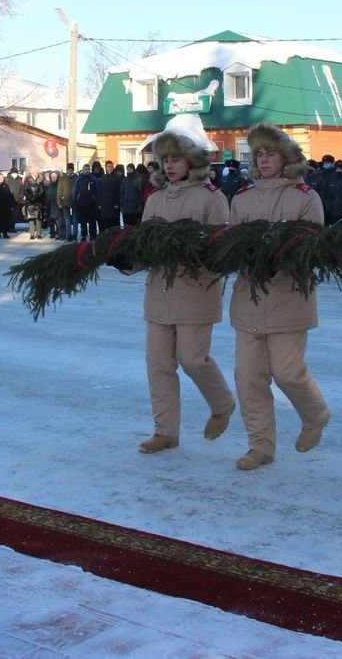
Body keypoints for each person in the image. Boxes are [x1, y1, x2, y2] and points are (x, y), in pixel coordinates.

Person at [227, 123, 329, 471]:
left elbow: (312, 248)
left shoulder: (305, 197)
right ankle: (260, 446)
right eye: (259, 154)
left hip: (289, 299)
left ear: (286, 158)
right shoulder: (242, 198)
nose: (264, 159)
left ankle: (315, 414)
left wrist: (281, 259)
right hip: (248, 299)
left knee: (287, 372)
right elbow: (230, 243)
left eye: (271, 153)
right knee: (248, 376)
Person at [131, 122, 236, 455]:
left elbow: (222, 250)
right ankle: (165, 432)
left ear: (192, 160)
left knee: (192, 359)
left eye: (176, 158)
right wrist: (127, 260)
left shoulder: (211, 198)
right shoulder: (156, 199)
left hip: (196, 292)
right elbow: (144, 246)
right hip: (159, 293)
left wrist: (196, 257)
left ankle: (222, 403)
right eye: (165, 159)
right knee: (158, 365)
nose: (170, 165)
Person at [72, 162, 100, 240]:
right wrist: (74, 200)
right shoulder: (79, 179)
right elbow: (75, 190)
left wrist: (97, 201)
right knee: (83, 221)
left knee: (92, 220)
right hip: (81, 203)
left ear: (89, 170)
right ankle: (83, 235)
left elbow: (97, 190)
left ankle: (92, 234)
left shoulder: (93, 179)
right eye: (85, 169)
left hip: (91, 203)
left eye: (88, 169)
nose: (86, 171)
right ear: (83, 170)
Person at [0, 171, 17, 238]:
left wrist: (12, 205)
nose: (1, 179)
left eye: (2, 177)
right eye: (0, 178)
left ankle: (5, 233)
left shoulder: (6, 185)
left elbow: (10, 196)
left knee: (6, 220)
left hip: (6, 207)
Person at [21, 169, 45, 239]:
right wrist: (31, 198)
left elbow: (42, 191)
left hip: (38, 201)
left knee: (39, 218)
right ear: (30, 173)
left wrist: (36, 198)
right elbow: (25, 190)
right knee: (31, 218)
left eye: (36, 172)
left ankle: (39, 234)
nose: (35, 173)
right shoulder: (27, 181)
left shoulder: (40, 181)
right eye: (33, 172)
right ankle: (31, 234)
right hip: (29, 201)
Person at [57, 163, 76, 240]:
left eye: (71, 170)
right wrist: (59, 202)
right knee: (67, 220)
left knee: (75, 220)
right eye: (69, 170)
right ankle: (69, 235)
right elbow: (59, 190)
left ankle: (74, 234)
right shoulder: (63, 178)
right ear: (67, 170)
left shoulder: (76, 178)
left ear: (73, 170)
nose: (70, 171)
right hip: (65, 202)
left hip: (75, 202)